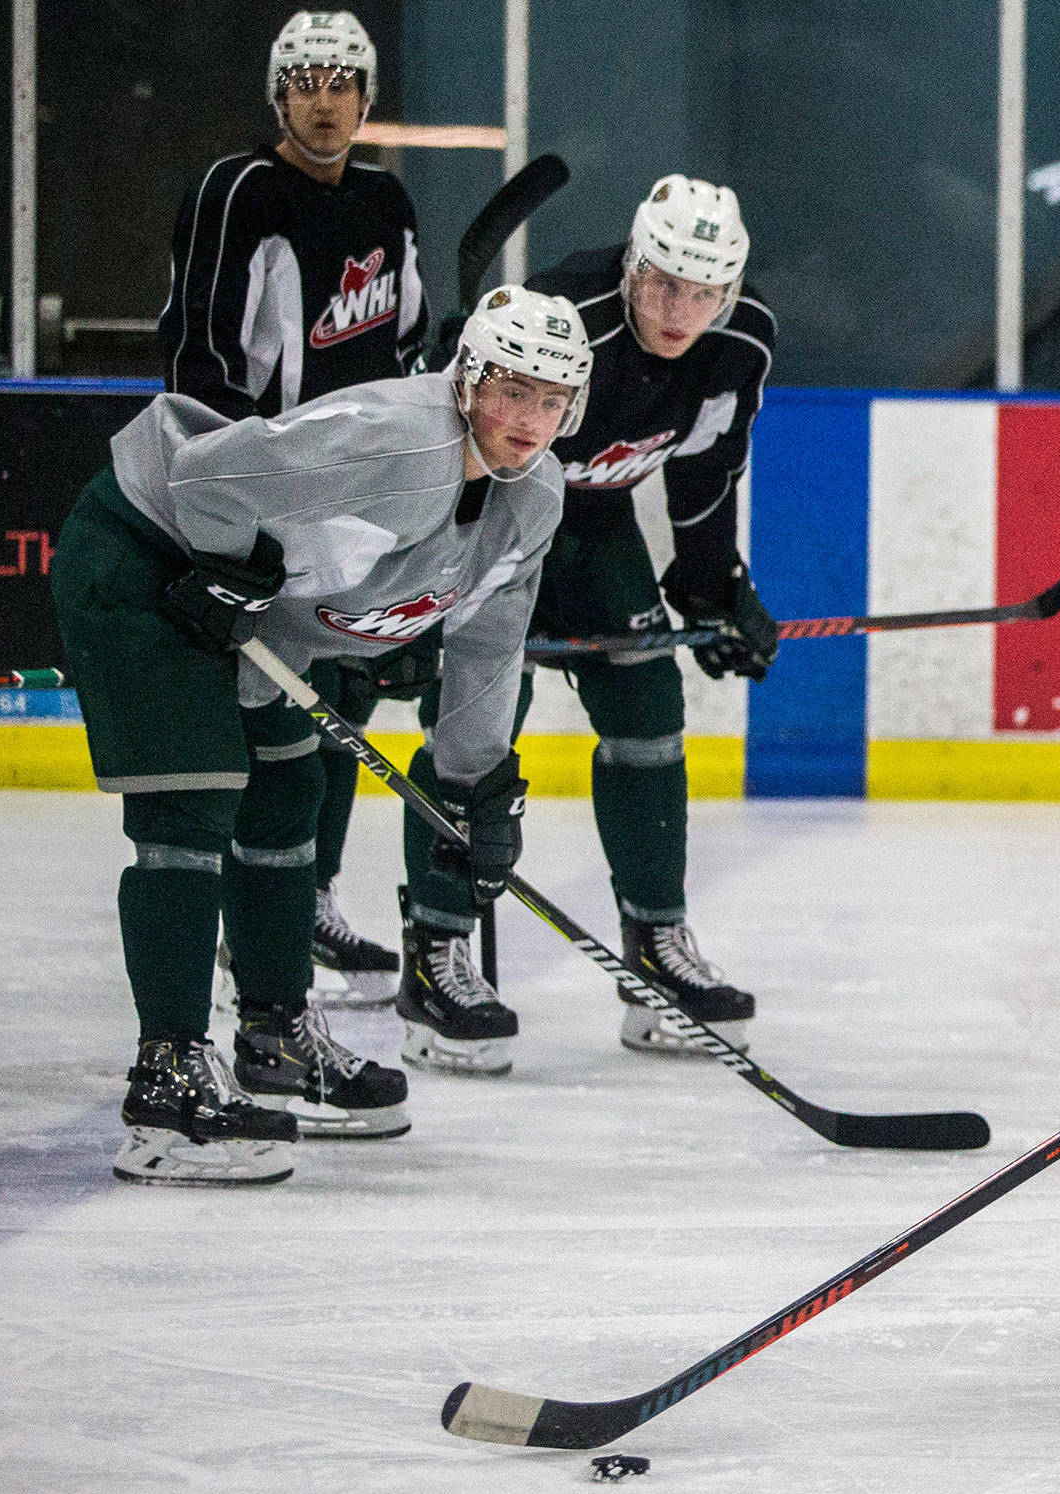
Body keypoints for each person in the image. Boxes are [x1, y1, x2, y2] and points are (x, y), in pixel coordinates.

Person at [52, 285, 590, 1184]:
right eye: (508, 388)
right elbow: (206, 474)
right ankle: (168, 1084)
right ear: (465, 381)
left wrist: (473, 787)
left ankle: (275, 1038)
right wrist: (227, 569)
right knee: (195, 800)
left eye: (550, 399)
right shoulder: (399, 438)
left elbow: (491, 645)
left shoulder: (533, 497)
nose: (526, 418)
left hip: (242, 609)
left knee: (288, 786)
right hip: (148, 551)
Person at [396, 173, 778, 1072]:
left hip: (596, 526)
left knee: (649, 708)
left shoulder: (739, 343)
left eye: (704, 292)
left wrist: (711, 580)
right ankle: (437, 955)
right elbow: (444, 448)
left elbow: (706, 464)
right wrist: (420, 586)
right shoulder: (569, 318)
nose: (680, 310)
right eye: (663, 284)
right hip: (493, 524)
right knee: (474, 731)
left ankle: (656, 952)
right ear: (632, 264)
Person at [159, 9, 434, 997]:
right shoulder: (239, 190)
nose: (325, 100)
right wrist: (227, 511)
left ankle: (305, 895)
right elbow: (201, 351)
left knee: (344, 699)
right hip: (267, 483)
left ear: (365, 96)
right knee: (269, 709)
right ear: (280, 95)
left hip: (354, 489)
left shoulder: (388, 203)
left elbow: (408, 349)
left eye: (343, 81)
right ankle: (255, 908)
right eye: (306, 81)